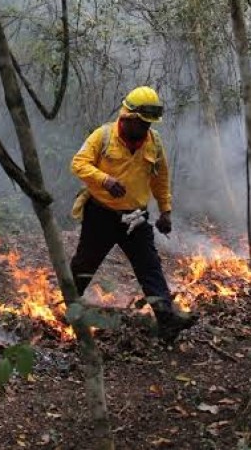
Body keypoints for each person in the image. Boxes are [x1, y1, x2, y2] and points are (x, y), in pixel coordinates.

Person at [70, 86, 198, 343]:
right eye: (141, 123)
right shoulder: (103, 136)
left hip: (136, 219)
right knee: (85, 264)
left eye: (148, 124)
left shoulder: (154, 142)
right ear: (127, 117)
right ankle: (67, 307)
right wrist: (105, 180)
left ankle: (167, 321)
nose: (145, 129)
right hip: (101, 216)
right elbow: (78, 163)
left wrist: (166, 211)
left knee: (150, 267)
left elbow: (161, 179)